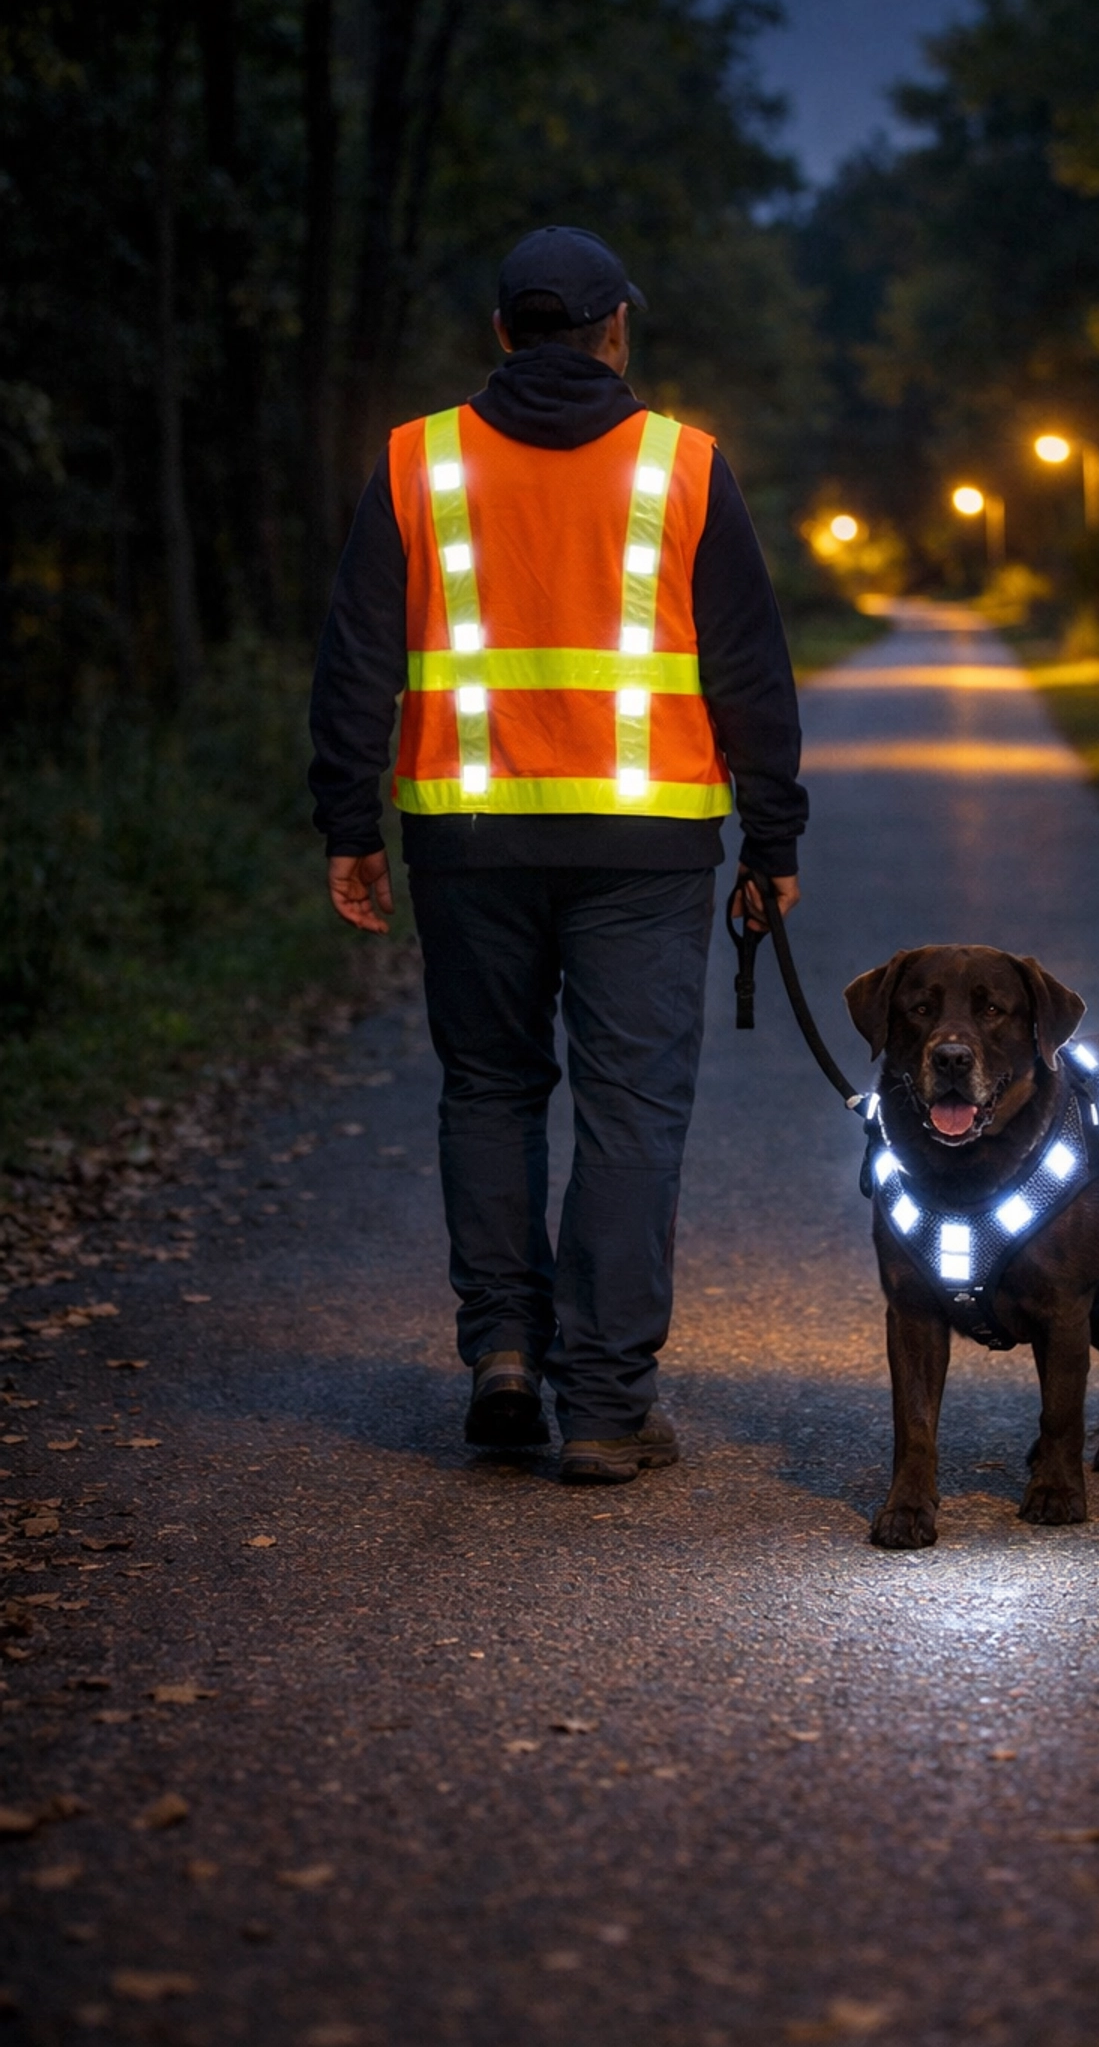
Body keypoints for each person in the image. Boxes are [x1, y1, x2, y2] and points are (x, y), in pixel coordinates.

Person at [308, 225, 805, 1483]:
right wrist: (774, 832)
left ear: (500, 335)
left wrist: (349, 826)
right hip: (647, 847)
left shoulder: (418, 461)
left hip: (466, 841)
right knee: (631, 1112)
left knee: (489, 1091)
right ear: (616, 332)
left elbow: (357, 659)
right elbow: (748, 663)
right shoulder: (683, 466)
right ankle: (604, 1405)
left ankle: (507, 1355)